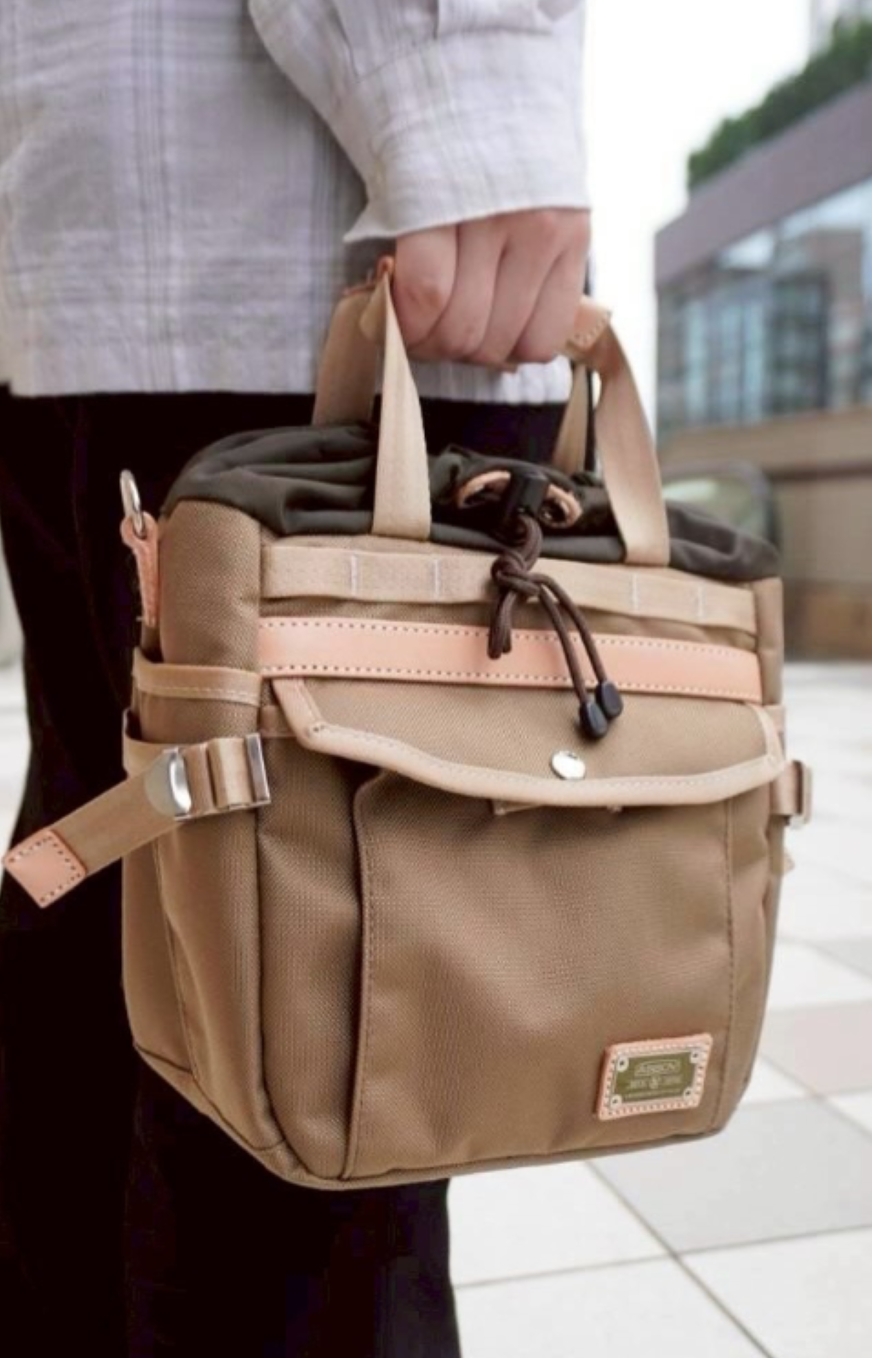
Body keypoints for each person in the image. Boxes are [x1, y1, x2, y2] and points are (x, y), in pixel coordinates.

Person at [0, 3, 591, 1354]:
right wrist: (463, 73)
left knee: (111, 937)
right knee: (313, 1057)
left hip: (82, 247)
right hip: (290, 226)